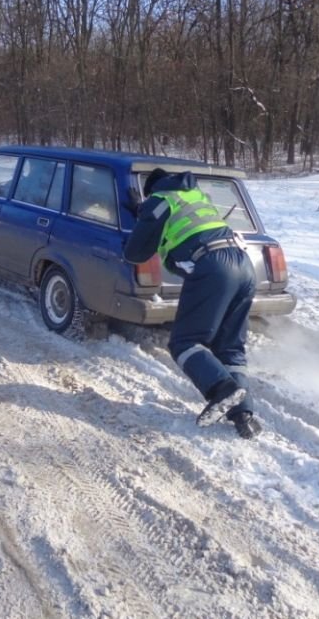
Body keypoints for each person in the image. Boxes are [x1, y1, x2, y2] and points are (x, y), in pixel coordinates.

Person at [124, 168, 262, 439]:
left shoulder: (159, 199)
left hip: (211, 267)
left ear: (151, 189)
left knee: (184, 343)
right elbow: (182, 222)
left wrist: (141, 216)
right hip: (243, 265)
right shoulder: (193, 195)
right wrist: (145, 212)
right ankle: (243, 416)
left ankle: (222, 389)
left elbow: (135, 252)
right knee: (229, 346)